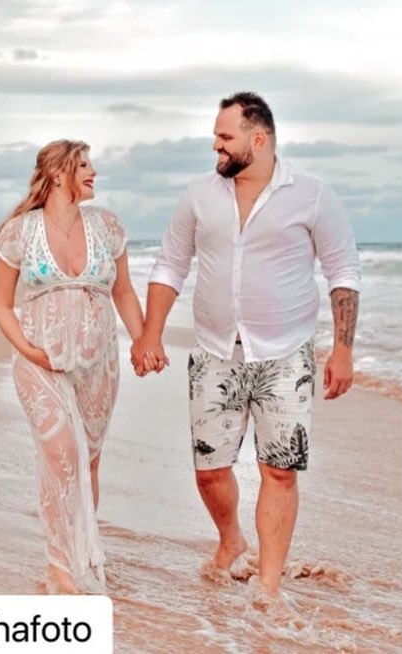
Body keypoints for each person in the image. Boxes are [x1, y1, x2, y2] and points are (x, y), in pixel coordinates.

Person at [131, 92, 361, 602]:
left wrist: (342, 349)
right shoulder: (199, 195)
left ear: (258, 139)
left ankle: (268, 585)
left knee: (279, 471)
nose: (215, 145)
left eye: (224, 136)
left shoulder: (313, 195)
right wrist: (150, 332)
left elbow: (342, 272)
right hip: (215, 353)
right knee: (210, 472)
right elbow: (171, 265)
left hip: (286, 355)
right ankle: (231, 539)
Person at [0, 139, 150, 594]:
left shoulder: (107, 226)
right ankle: (59, 568)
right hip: (40, 364)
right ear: (58, 174)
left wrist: (143, 340)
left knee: (87, 463)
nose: (93, 171)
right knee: (62, 456)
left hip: (98, 366)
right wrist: (28, 349)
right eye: (83, 165)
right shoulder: (20, 233)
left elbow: (123, 292)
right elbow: (1, 305)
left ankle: (80, 554)